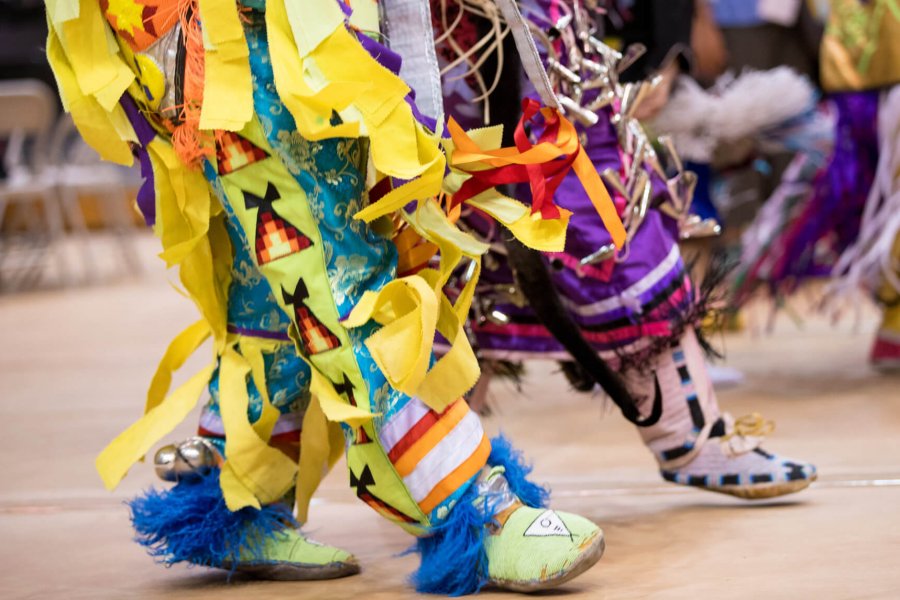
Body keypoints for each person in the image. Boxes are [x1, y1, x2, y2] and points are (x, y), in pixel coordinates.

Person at [44, 0, 616, 593]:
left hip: (218, 43)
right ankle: (468, 504)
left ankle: (235, 493)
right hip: (237, 36)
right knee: (338, 269)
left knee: (268, 285)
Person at [436, 0, 817, 498]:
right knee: (449, 232)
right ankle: (444, 476)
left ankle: (687, 434)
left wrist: (666, 49)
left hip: (543, 45)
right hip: (439, 46)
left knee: (604, 203)